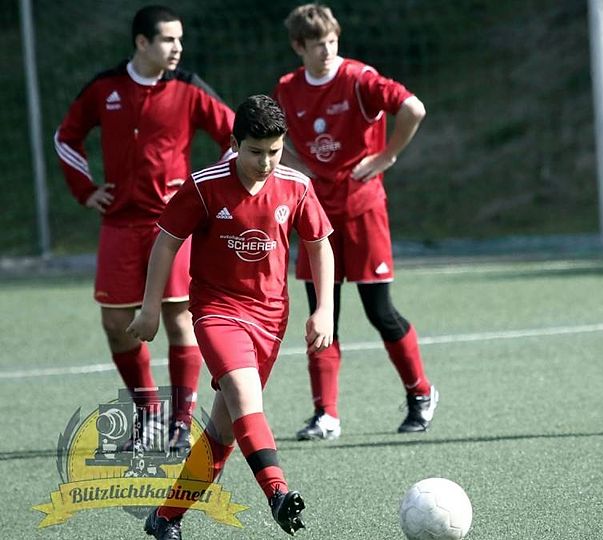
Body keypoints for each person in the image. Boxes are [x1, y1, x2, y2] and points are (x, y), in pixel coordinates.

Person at [129, 94, 334, 538]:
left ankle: (165, 517)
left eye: (274, 151)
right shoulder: (205, 186)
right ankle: (278, 493)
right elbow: (166, 242)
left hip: (271, 318)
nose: (265, 162)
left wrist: (324, 310)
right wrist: (149, 308)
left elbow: (320, 245)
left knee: (223, 431)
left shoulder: (296, 186)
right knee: (244, 394)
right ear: (234, 144)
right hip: (216, 310)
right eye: (255, 152)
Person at [54, 5, 235, 450]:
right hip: (119, 223)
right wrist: (85, 190)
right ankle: (149, 412)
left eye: (180, 39)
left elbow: (235, 137)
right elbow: (66, 136)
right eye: (168, 39)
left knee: (179, 318)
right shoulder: (106, 87)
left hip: (171, 225)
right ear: (142, 42)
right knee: (116, 322)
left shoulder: (189, 87)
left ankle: (181, 422)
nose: (178, 47)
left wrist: (208, 192)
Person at [273, 3, 437, 441]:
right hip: (316, 215)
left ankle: (421, 393)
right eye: (317, 44)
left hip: (364, 210)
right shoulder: (288, 88)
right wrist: (297, 167)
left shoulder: (360, 78)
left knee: (379, 311)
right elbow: (276, 139)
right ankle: (326, 415)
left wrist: (387, 156)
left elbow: (413, 108)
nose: (327, 51)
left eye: (332, 41)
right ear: (298, 47)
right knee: (322, 314)